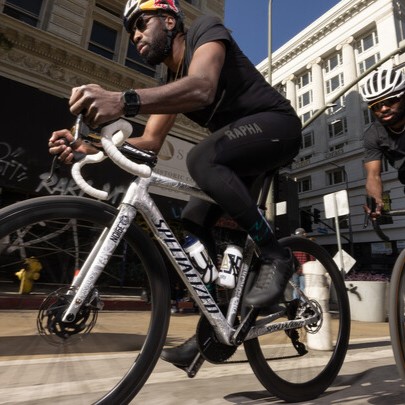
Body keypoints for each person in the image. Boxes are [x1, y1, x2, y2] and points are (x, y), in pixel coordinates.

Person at [48, 0, 302, 369]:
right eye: (130, 30)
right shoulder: (170, 83)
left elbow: (202, 87)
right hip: (241, 153)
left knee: (201, 158)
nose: (135, 35)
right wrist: (87, 145)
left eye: (140, 23)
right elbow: (150, 142)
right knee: (193, 221)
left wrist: (122, 100)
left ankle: (277, 256)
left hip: (277, 128)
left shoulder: (206, 31)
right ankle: (214, 330)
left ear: (169, 20)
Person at [362, 68, 405, 218]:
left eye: (391, 101)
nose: (384, 108)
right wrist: (376, 201)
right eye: (376, 106)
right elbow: (373, 175)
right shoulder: (373, 135)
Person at [291, 228, 313, 299]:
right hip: (304, 270)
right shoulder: (307, 245)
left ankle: (295, 304)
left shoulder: (293, 246)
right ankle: (303, 305)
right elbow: (312, 259)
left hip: (295, 270)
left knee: (296, 288)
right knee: (303, 288)